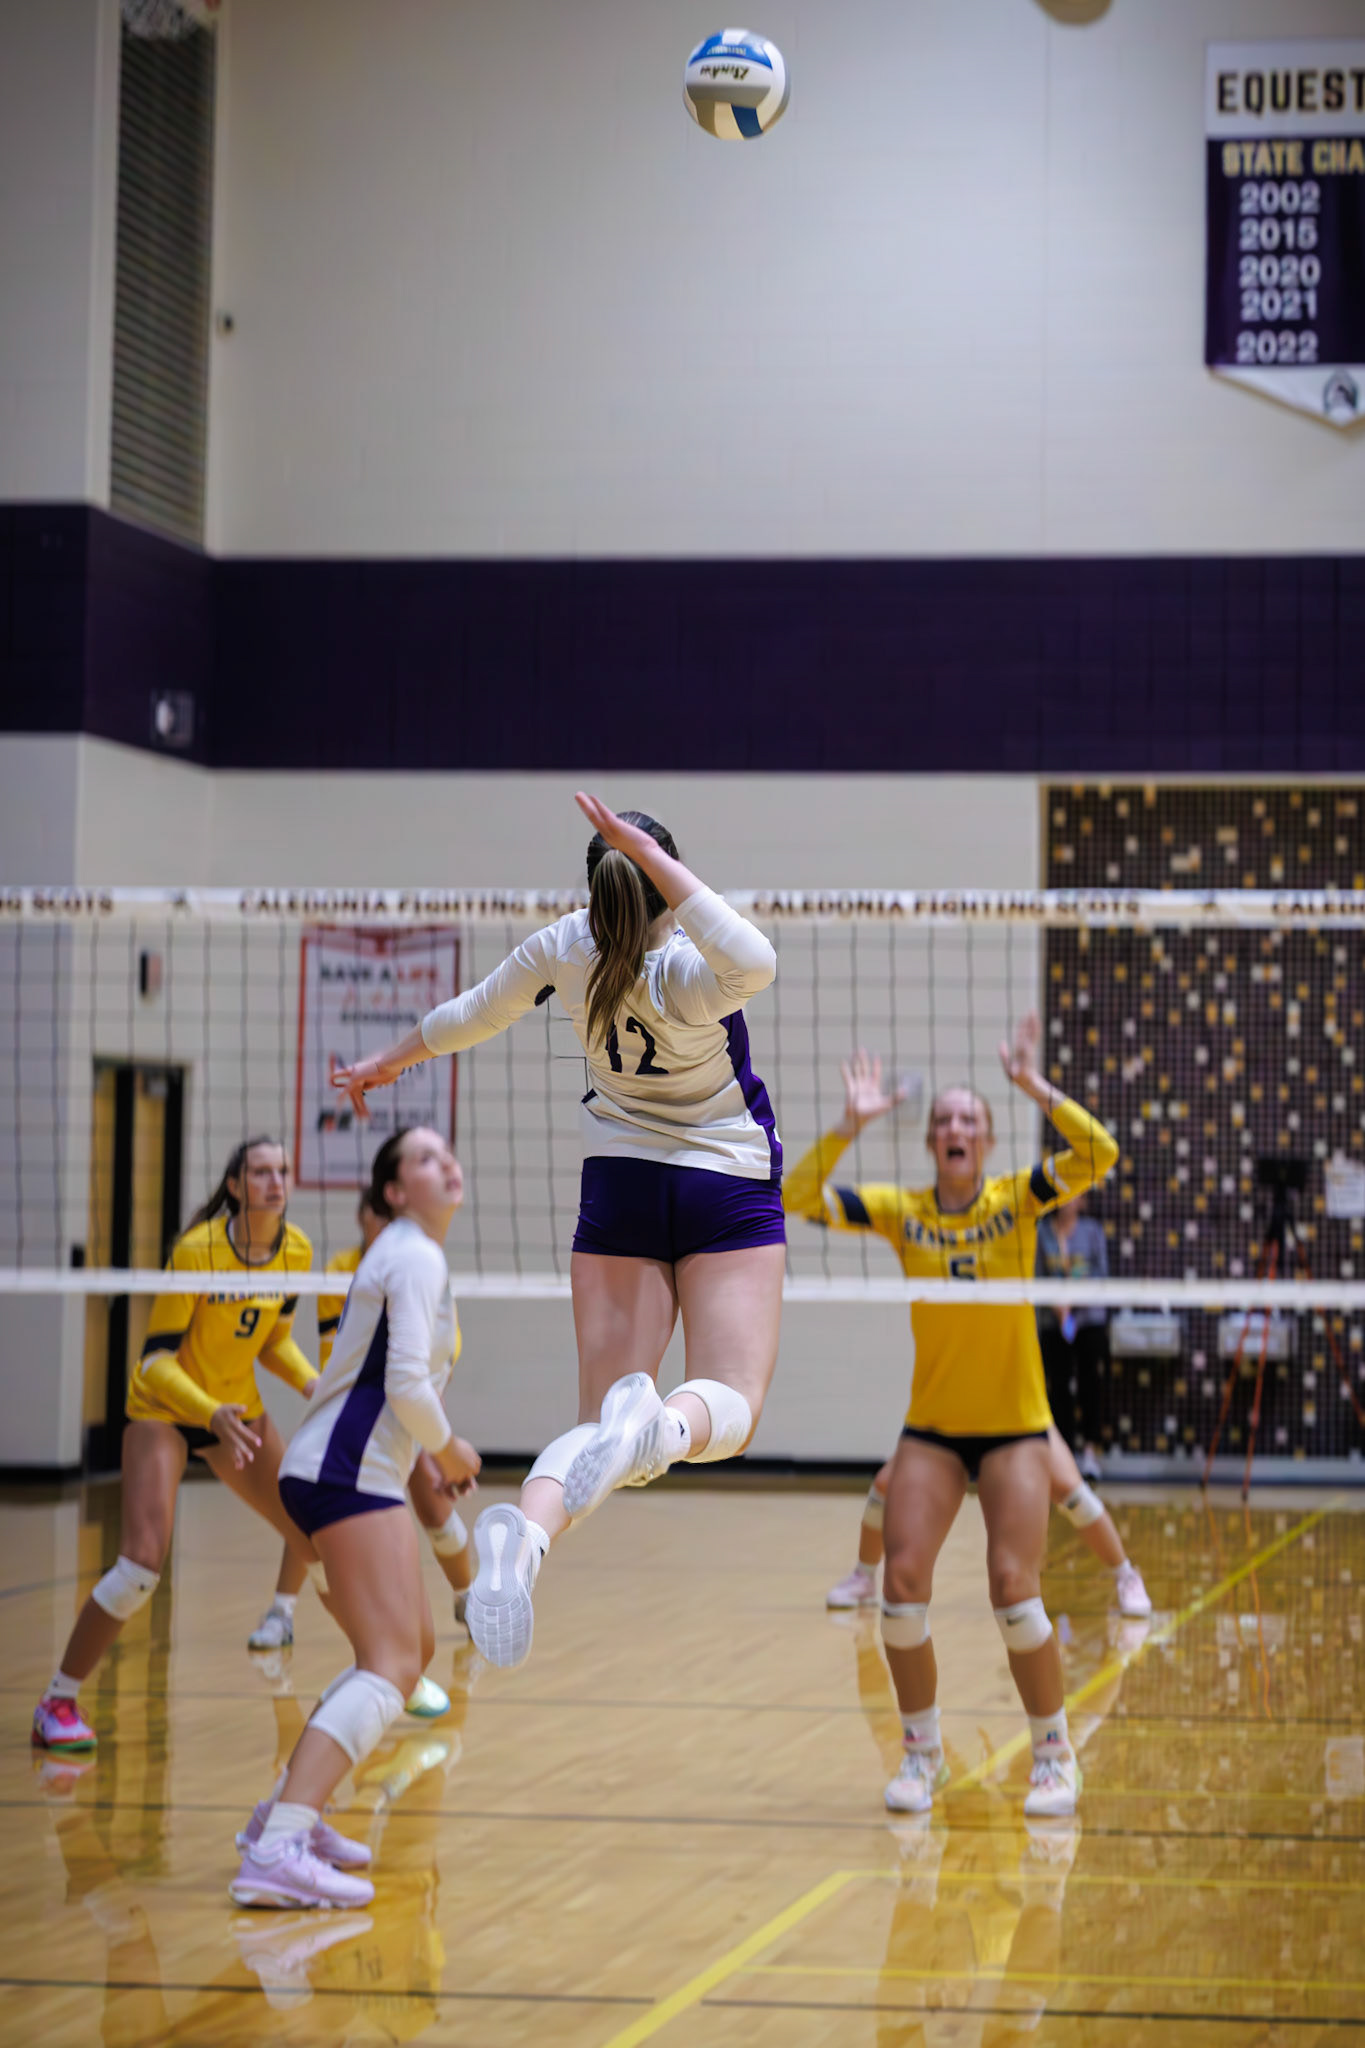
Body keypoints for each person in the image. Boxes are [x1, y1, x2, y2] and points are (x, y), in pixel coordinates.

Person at [332, 793, 784, 1671]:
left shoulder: (565, 948)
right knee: (730, 1398)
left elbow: (469, 1015)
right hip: (722, 1180)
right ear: (667, 884)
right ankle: (659, 1428)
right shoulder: (693, 966)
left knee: (591, 1423)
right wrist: (651, 861)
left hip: (617, 1183)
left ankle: (525, 1548)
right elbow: (756, 957)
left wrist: (384, 1065)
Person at [784, 1033, 1120, 1819]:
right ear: (933, 1140)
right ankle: (923, 1753)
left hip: (1013, 1429)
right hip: (933, 1429)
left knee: (1013, 1589)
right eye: (943, 1120)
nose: (954, 1129)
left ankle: (1053, 1754)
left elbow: (1098, 1152)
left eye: (968, 1118)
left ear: (987, 1139)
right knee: (901, 1587)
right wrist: (848, 1125)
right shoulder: (902, 1213)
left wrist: (1035, 1084)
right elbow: (797, 1198)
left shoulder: (1018, 1196)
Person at [230, 1126, 481, 1910]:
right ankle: (276, 1848)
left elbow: (398, 1384)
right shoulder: (412, 1252)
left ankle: (286, 1817)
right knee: (387, 1662)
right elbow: (405, 1382)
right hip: (344, 1472)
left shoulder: (415, 1255)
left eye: (448, 1153)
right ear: (395, 1192)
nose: (446, 1163)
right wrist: (450, 1450)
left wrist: (429, 1453)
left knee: (412, 1651)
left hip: (356, 1470)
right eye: (423, 1158)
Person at [32, 1138, 318, 1754]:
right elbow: (155, 1361)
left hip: (235, 1409)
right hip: (167, 1409)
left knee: (311, 1527)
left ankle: (382, 1672)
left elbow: (273, 1341)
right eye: (261, 1172)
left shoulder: (297, 1250)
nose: (276, 1181)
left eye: (283, 1171)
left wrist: (313, 1382)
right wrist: (208, 1413)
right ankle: (57, 1698)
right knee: (140, 1566)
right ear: (236, 1185)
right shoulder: (199, 1250)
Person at [247, 1191, 474, 1668]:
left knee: (438, 1511)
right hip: (356, 1420)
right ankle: (282, 1612)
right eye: (379, 1217)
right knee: (313, 1519)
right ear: (364, 1216)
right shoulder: (348, 1270)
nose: (386, 1227)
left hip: (409, 1416)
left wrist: (436, 1439)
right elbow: (345, 1352)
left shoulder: (422, 1266)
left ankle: (467, 1597)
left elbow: (435, 1365)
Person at [825, 1422, 1152, 1618]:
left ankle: (1125, 1576)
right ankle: (864, 1576)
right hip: (953, 1405)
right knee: (886, 1483)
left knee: (1069, 1489)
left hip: (1013, 1404)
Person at [1035, 1194, 1108, 1478]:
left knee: (1091, 1384)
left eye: (1074, 1196)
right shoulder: (1042, 1232)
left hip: (1088, 1318)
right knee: (1059, 1386)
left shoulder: (1092, 1231)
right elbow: (1037, 1276)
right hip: (1054, 1320)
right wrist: (1056, 1304)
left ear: (1082, 1201)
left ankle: (1090, 1454)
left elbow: (1101, 1275)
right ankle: (1064, 1457)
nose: (1068, 1201)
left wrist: (1072, 1301)